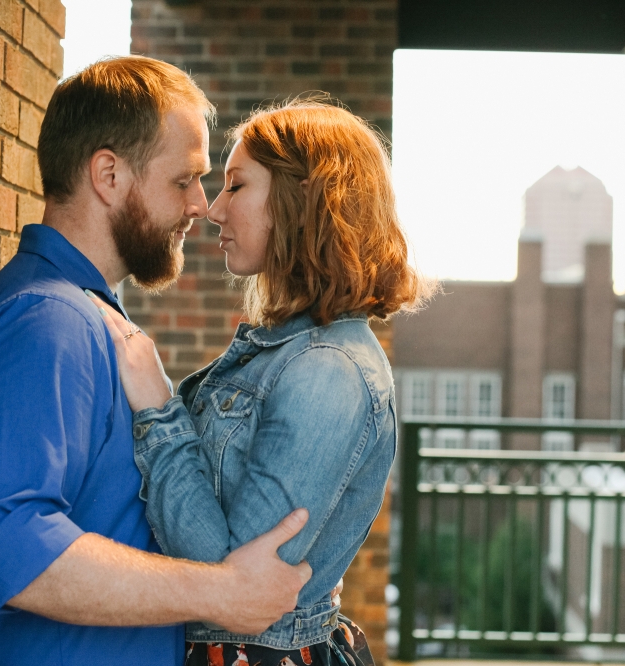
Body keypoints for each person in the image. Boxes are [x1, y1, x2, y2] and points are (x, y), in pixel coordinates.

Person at [0, 56, 313, 666]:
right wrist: (224, 592)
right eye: (183, 180)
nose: (200, 205)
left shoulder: (86, 314)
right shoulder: (46, 322)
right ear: (108, 175)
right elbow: (5, 544)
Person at [89, 99, 433, 665]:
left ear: (301, 200)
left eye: (236, 186)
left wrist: (156, 402)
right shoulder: (286, 350)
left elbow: (230, 581)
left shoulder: (329, 372)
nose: (214, 210)